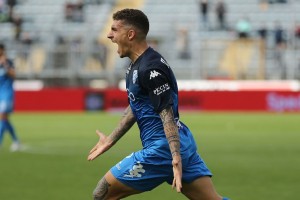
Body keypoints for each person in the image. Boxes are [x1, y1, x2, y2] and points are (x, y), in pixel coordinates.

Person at [87, 9, 229, 200]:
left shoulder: (150, 68)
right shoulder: (137, 65)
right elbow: (137, 106)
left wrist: (175, 156)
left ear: (130, 34)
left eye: (114, 29)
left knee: (102, 193)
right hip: (181, 141)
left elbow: (166, 112)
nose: (109, 35)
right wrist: (110, 140)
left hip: (162, 149)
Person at [0, 43, 21, 151]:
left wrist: (5, 65)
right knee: (5, 119)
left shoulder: (7, 62)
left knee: (2, 116)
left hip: (7, 93)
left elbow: (14, 75)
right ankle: (16, 140)